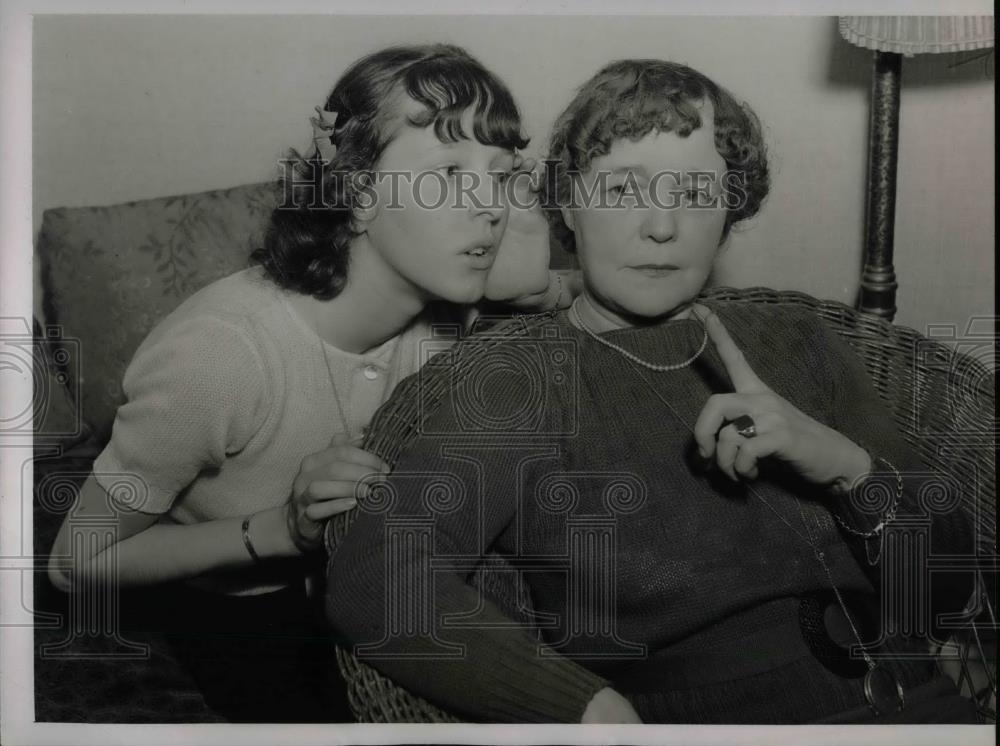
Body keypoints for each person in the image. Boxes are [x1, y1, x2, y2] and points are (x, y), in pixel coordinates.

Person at [325, 59, 979, 724]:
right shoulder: (522, 378)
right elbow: (376, 581)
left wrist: (847, 469)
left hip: (925, 707)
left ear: (731, 210)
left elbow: (950, 592)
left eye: (695, 193)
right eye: (621, 191)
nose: (662, 227)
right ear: (569, 205)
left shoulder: (797, 336)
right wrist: (583, 706)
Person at [46, 43, 567, 723]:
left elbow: (551, 289)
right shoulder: (221, 355)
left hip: (371, 572)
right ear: (355, 197)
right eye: (447, 174)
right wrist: (283, 530)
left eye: (501, 177)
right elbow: (74, 562)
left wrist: (555, 285)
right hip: (234, 601)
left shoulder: (450, 288)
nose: (490, 209)